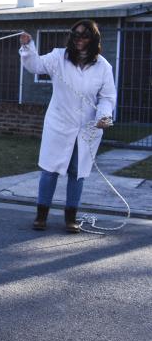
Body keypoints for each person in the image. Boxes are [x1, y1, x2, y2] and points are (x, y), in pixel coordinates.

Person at [19, 20, 116, 233]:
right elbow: (34, 66)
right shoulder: (58, 58)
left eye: (84, 36)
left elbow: (107, 98)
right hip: (59, 124)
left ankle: (71, 218)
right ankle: (41, 215)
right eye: (76, 35)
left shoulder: (103, 67)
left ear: (93, 39)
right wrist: (28, 46)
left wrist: (104, 117)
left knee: (77, 172)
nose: (79, 39)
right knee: (50, 170)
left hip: (87, 128)